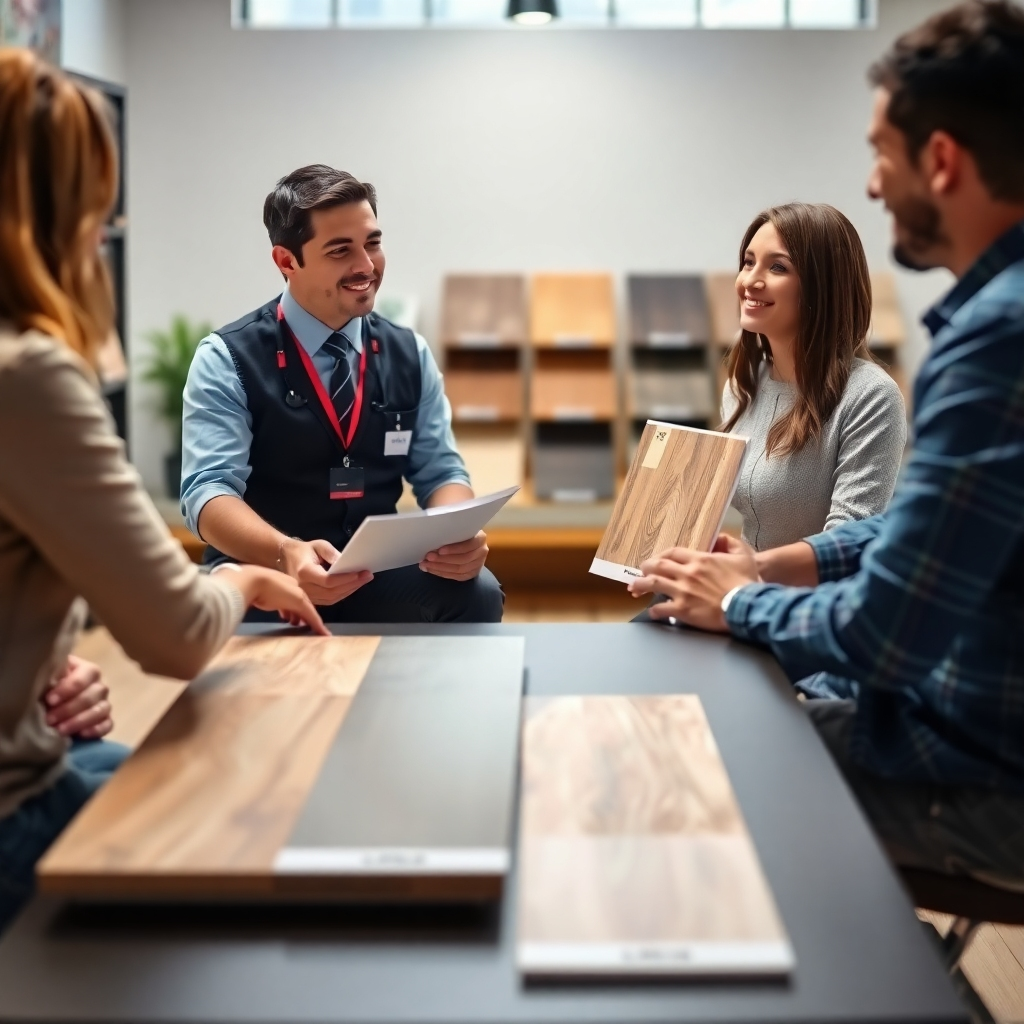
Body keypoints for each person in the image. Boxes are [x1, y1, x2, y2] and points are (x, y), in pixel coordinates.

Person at [629, 0, 1024, 886]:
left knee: (689, 754)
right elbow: (903, 535)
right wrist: (760, 570)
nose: (874, 185)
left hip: (979, 767)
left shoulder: (994, 342)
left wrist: (742, 602)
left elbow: (887, 633)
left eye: (882, 153)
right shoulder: (992, 329)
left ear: (942, 160)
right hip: (963, 724)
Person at [0, 50, 326, 933]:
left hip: (37, 742)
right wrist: (243, 578)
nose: (109, 228)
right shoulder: (30, 376)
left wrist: (38, 673)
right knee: (255, 811)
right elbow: (178, 636)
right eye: (99, 205)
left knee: (127, 759)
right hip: (12, 811)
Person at [181, 166, 504, 624]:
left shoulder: (408, 352)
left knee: (477, 592)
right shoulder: (226, 358)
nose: (366, 266)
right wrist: (286, 553)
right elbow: (208, 492)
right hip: (264, 573)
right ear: (286, 261)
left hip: (370, 573)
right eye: (340, 250)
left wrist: (457, 534)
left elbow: (441, 471)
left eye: (372, 243)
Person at [721, 203, 906, 550]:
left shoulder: (871, 396)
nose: (749, 281)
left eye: (778, 267)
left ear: (823, 287)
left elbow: (845, 544)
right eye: (748, 262)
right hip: (744, 579)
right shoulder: (741, 388)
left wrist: (749, 570)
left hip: (812, 587)